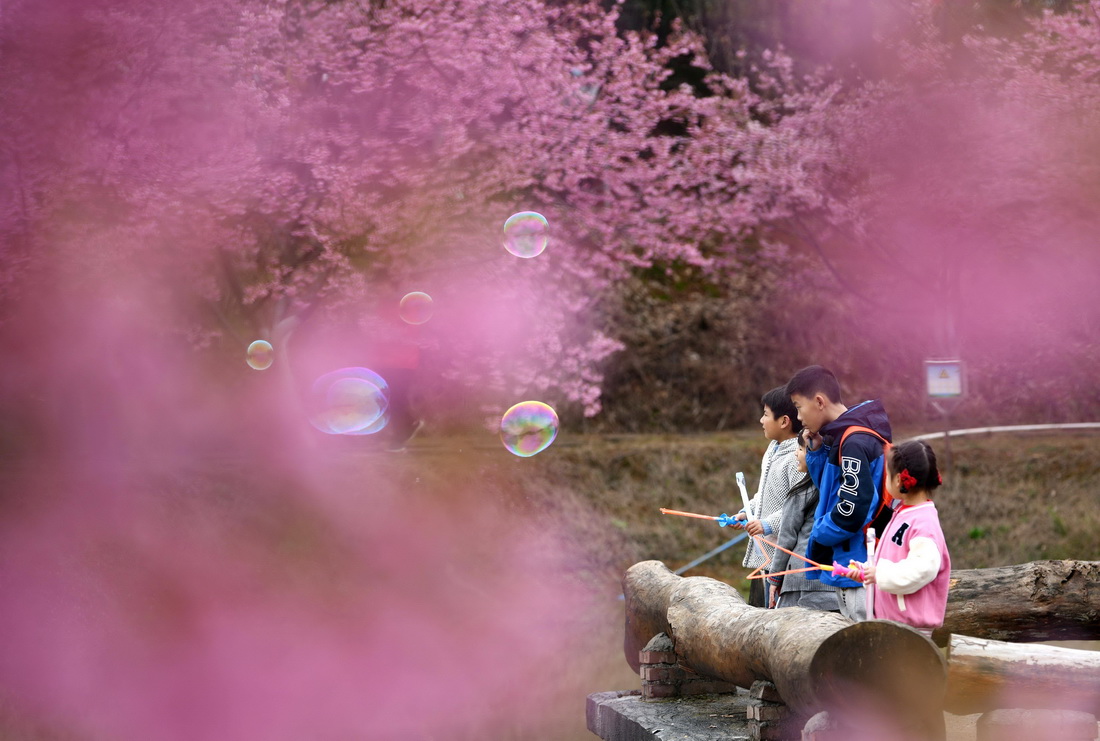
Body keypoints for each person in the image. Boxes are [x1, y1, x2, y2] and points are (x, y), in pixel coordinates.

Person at [785, 365, 892, 621]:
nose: (799, 417)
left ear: (819, 401)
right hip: (851, 561)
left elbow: (855, 506)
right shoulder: (840, 438)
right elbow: (831, 491)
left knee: (865, 644)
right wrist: (817, 451)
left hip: (859, 564)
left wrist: (820, 532)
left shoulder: (854, 442)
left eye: (799, 407)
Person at [843, 440, 951, 634]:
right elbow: (893, 561)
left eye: (887, 474)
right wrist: (867, 571)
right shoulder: (903, 513)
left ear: (899, 480)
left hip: (911, 632)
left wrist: (879, 574)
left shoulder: (924, 523)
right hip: (893, 625)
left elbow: (921, 570)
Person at [732, 386, 804, 608]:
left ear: (784, 421)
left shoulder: (796, 457)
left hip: (781, 559)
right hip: (763, 556)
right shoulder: (773, 449)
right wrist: (747, 511)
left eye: (765, 414)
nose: (761, 420)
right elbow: (764, 495)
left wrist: (766, 524)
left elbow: (798, 507)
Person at [766, 430, 841, 611]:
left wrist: (775, 578)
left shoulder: (801, 493)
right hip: (835, 584)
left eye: (801, 448)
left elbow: (786, 539)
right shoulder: (841, 492)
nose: (795, 453)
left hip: (799, 583)